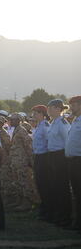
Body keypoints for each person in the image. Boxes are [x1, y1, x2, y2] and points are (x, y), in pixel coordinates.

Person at [47, 99, 72, 228]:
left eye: (51, 108)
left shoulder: (62, 123)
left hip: (60, 157)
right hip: (52, 156)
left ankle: (65, 216)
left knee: (62, 187)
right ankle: (58, 214)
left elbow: (67, 141)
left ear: (58, 109)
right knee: (55, 186)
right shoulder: (53, 122)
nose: (49, 110)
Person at [7, 113, 36, 212]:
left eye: (14, 119)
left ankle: (27, 202)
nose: (11, 121)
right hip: (15, 160)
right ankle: (19, 200)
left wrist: (30, 160)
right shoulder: (15, 130)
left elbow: (28, 145)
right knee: (17, 181)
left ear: (19, 120)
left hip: (21, 160)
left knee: (23, 181)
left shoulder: (22, 130)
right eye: (11, 119)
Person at [30, 105, 52, 221]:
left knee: (44, 185)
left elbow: (49, 142)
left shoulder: (45, 126)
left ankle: (48, 211)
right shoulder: (39, 126)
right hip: (38, 156)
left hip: (44, 157)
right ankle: (44, 209)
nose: (33, 115)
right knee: (40, 184)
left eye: (36, 113)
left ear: (42, 114)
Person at [65, 95, 81, 233]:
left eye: (74, 104)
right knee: (76, 192)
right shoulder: (76, 120)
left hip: (79, 160)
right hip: (73, 161)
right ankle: (77, 221)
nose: (71, 107)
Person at [0, 115, 12, 207]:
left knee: (5, 179)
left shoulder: (4, 133)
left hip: (4, 159)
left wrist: (6, 157)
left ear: (1, 123)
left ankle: (7, 199)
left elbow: (8, 147)